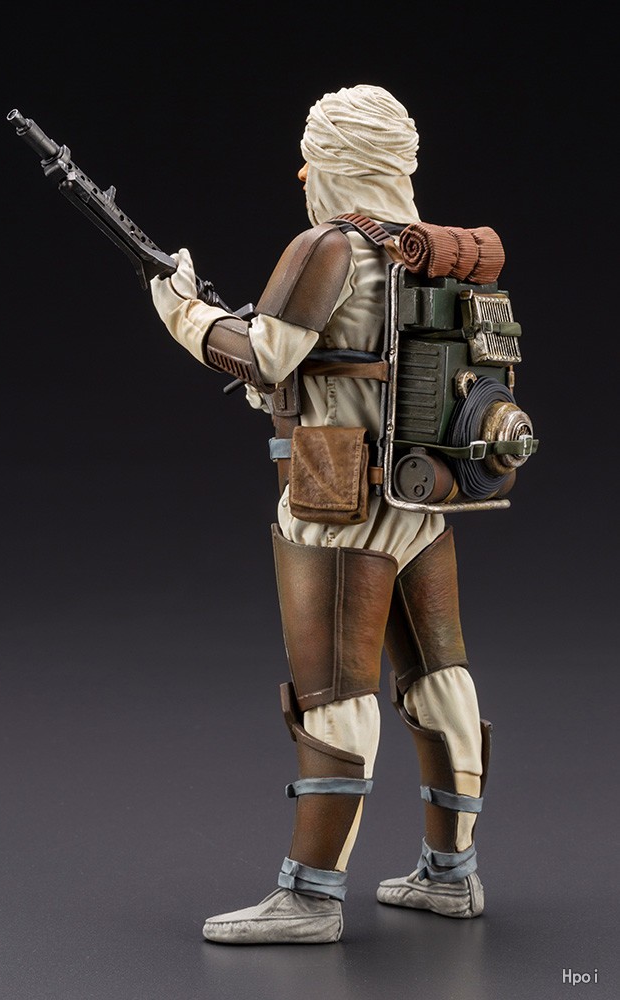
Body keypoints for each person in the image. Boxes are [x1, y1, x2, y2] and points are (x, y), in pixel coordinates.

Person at [150, 84, 490, 945]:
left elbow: (266, 356)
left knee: (333, 690)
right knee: (439, 676)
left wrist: (184, 313)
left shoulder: (325, 246)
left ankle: (309, 897)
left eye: (313, 156)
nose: (303, 173)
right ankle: (451, 876)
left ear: (335, 162)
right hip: (419, 494)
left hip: (336, 500)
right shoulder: (425, 250)